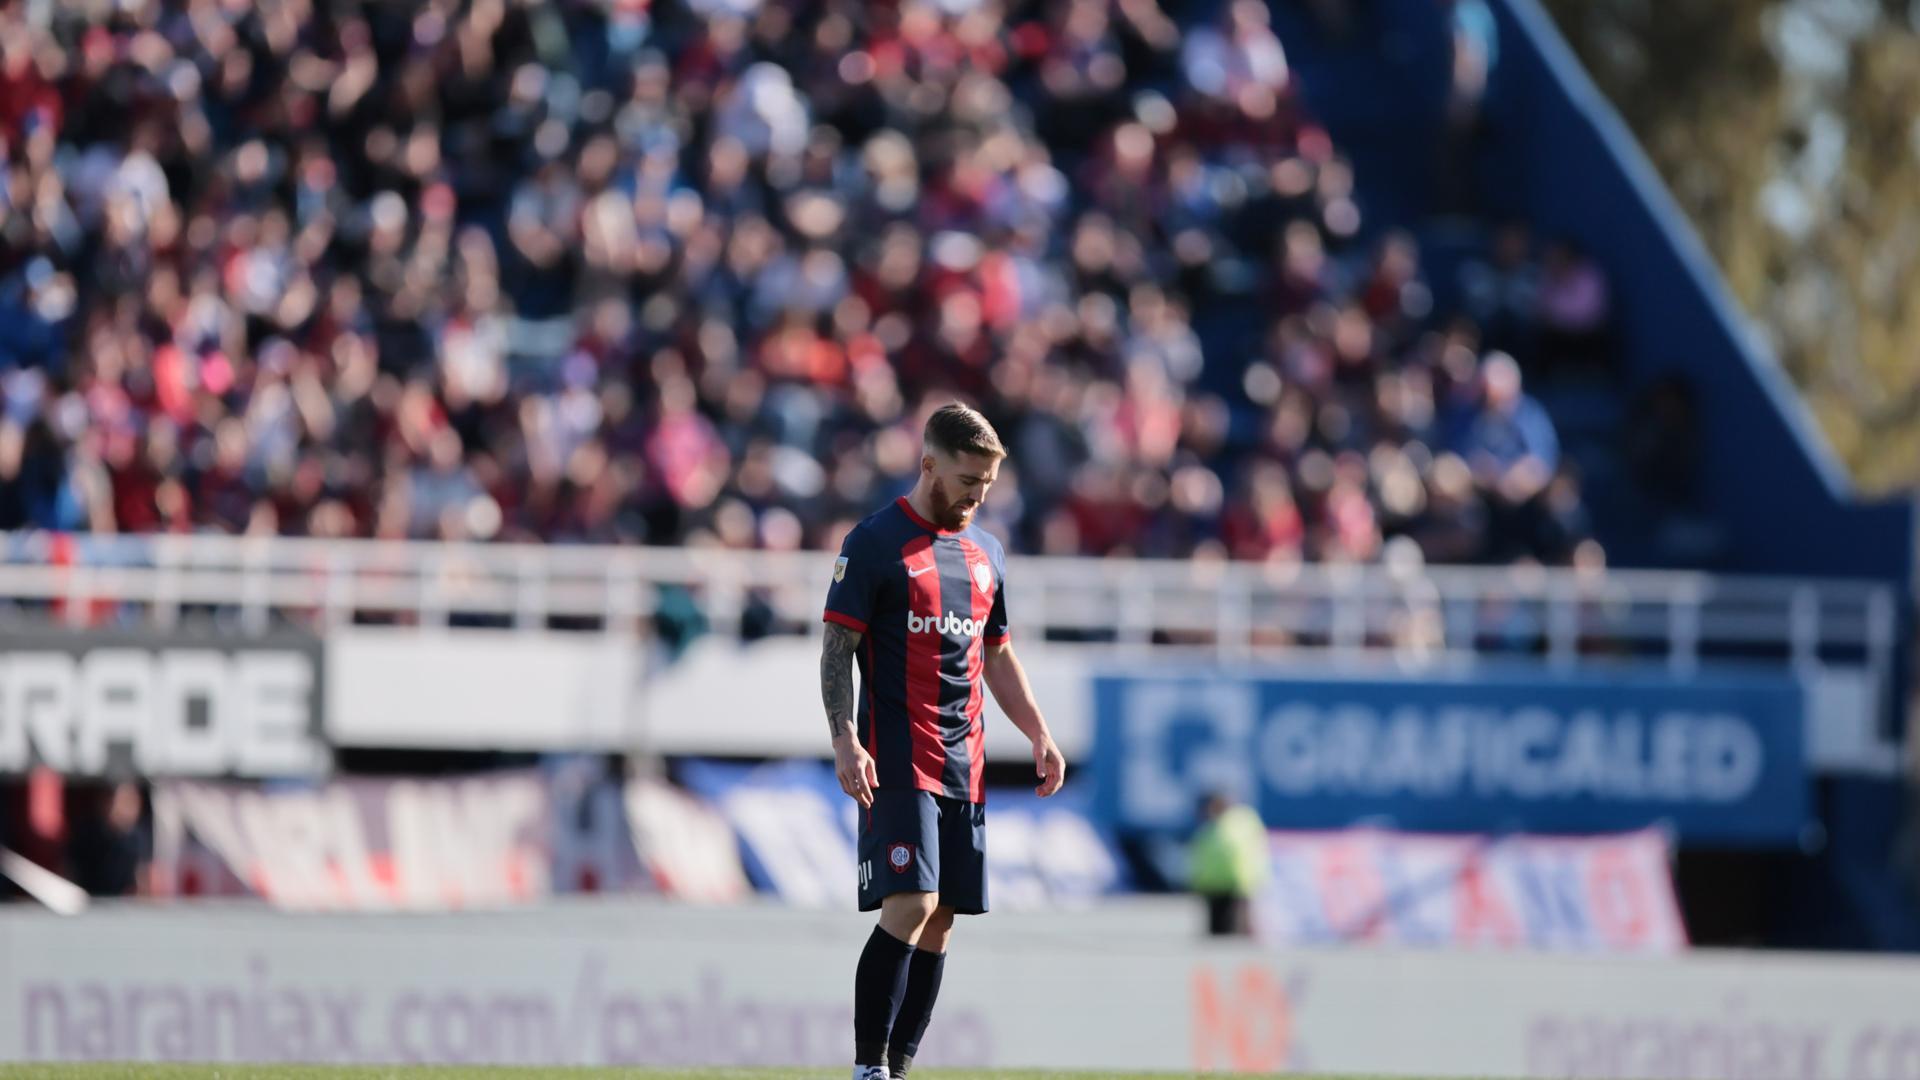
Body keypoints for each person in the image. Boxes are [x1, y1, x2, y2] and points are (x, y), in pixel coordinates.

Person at [820, 402, 1067, 1080]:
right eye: (967, 480)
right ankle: (868, 1069)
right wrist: (845, 737)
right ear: (928, 464)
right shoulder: (872, 543)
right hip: (897, 756)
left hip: (967, 762)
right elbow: (836, 648)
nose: (978, 495)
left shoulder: (988, 554)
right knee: (913, 902)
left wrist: (1040, 734)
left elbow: (997, 655)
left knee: (943, 919)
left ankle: (898, 1067)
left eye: (987, 483)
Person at [1188, 792, 1270, 937]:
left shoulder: (1241, 822)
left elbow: (1252, 851)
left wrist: (1254, 877)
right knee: (1217, 932)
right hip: (1212, 886)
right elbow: (1201, 857)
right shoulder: (1209, 826)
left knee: (1235, 932)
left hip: (1237, 885)